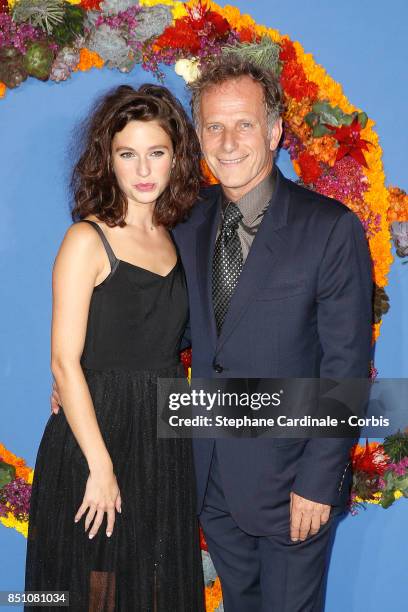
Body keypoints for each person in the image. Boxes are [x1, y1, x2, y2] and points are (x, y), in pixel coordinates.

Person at [170, 57, 373, 611]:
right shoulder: (187, 220)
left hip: (292, 488)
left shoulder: (329, 228)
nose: (228, 141)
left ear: (275, 130)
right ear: (198, 135)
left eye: (244, 124)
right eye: (214, 126)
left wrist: (318, 479)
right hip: (212, 482)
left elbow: (347, 365)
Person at [26, 84, 205, 611]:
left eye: (157, 152)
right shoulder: (87, 239)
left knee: (153, 590)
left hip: (165, 436)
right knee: (90, 590)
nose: (143, 168)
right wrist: (100, 466)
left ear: (177, 158)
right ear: (109, 159)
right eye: (128, 153)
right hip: (95, 437)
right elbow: (63, 361)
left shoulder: (179, 235)